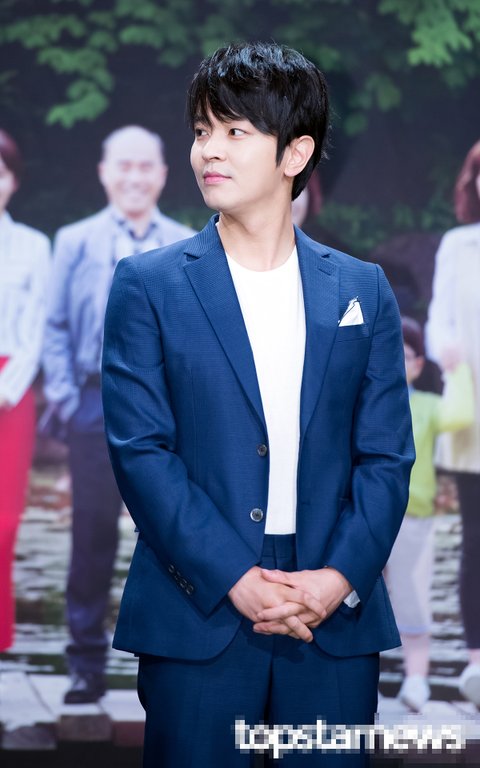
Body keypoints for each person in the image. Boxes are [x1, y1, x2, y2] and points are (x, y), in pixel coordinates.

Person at [102, 44, 414, 767]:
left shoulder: (361, 290)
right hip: (198, 605)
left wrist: (337, 579)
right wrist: (234, 579)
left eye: (235, 132)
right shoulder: (148, 284)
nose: (208, 150)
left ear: (294, 153)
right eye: (201, 131)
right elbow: (141, 453)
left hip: (329, 610)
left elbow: (386, 456)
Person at [42, 125, 195, 704]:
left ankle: (174, 660)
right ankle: (85, 663)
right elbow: (55, 325)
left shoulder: (185, 242)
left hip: (165, 409)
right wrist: (65, 399)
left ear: (162, 174)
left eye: (144, 166)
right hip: (92, 402)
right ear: (104, 173)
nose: (134, 177)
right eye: (123, 166)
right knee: (91, 534)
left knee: (172, 532)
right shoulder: (74, 241)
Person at [385, 317, 474, 712]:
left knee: (413, 600)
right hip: (360, 515)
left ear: (419, 364)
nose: (396, 362)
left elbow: (460, 415)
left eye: (405, 355)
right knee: (355, 598)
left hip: (413, 517)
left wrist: (456, 369)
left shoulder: (427, 406)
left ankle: (416, 679)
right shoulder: (361, 400)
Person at [426, 138, 480, 707]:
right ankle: (476, 662)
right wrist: (445, 348)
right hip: (474, 416)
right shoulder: (458, 245)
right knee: (476, 539)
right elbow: (437, 319)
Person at [0, 129, 51, 651]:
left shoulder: (35, 246)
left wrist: (6, 389)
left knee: (5, 523)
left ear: (12, 181)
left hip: (10, 396)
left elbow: (37, 331)